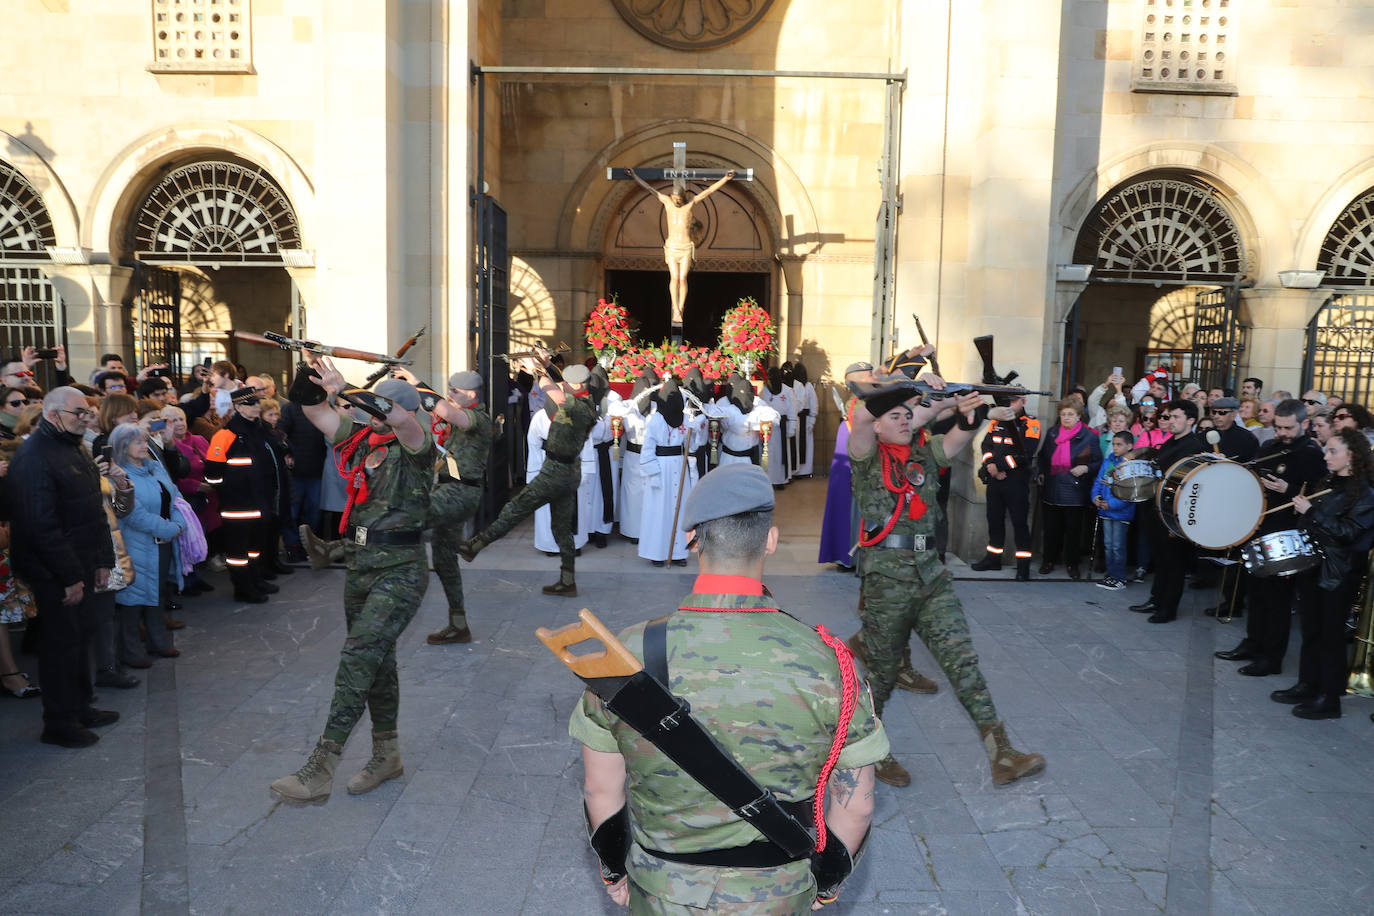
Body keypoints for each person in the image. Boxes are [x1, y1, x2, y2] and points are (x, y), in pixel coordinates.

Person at [569, 462, 886, 912]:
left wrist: (615, 870)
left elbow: (600, 790)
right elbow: (857, 803)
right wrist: (826, 885)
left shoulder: (624, 655)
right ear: (771, 540)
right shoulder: (830, 662)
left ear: (690, 539)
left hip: (663, 891)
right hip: (776, 892)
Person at [848, 376, 1044, 788]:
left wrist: (966, 410)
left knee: (964, 662)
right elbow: (862, 414)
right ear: (881, 424)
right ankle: (871, 754)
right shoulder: (866, 454)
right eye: (895, 416)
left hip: (931, 576)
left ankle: (1002, 754)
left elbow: (959, 438)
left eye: (907, 415)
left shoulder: (924, 452)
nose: (903, 420)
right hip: (887, 579)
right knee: (882, 676)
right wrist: (917, 391)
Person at [269, 362, 433, 803]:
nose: (374, 414)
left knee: (358, 656)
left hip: (400, 568)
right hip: (361, 564)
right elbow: (315, 412)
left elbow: (399, 418)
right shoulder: (361, 439)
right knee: (377, 660)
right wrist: (307, 374)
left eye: (381, 406)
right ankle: (387, 754)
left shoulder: (418, 443)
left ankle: (321, 766)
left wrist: (352, 390)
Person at [7, 388, 120, 748]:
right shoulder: (34, 457)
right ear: (54, 414)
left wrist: (102, 559)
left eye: (88, 413)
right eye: (79, 413)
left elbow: (93, 507)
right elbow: (40, 527)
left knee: (81, 636)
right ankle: (58, 723)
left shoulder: (74, 447)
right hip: (54, 570)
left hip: (82, 561)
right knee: (61, 645)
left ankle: (81, 707)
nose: (86, 419)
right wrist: (69, 577)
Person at [459, 356, 597, 596]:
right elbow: (558, 385)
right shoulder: (582, 400)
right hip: (567, 470)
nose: (562, 383)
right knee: (561, 528)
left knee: (516, 508)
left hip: (556, 471)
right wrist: (544, 366)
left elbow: (557, 394)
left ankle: (475, 545)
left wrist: (536, 373)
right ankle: (567, 581)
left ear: (576, 386)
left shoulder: (579, 405)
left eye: (566, 382)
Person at [1267, 429, 1374, 719]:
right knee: (1311, 630)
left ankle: (1329, 699)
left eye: (1332, 451)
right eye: (1326, 450)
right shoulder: (1328, 482)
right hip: (1313, 566)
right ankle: (1308, 684)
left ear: (1351, 455)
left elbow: (1350, 534)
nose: (1326, 456)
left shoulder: (1365, 492)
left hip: (1338, 574)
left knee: (1331, 637)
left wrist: (1312, 511)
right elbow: (1310, 525)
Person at [1214, 399, 1327, 674]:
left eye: (1288, 428)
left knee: (1278, 600)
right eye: (1278, 427)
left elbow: (1320, 497)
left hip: (1289, 533)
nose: (1282, 433)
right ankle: (1253, 643)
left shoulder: (1311, 453)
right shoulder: (1269, 446)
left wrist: (1289, 489)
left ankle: (1271, 658)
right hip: (1260, 527)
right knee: (1257, 593)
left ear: (1304, 424)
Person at [417, 369, 493, 645]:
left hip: (460, 492)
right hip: (448, 487)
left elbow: (450, 414)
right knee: (443, 559)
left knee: (400, 517)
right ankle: (458, 625)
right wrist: (419, 386)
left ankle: (339, 547)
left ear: (471, 394)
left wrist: (417, 385)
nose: (449, 395)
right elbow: (442, 410)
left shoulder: (478, 418)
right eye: (448, 390)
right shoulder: (462, 411)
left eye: (454, 391)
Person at [629, 167, 736, 340]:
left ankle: (681, 307)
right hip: (671, 247)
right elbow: (649, 189)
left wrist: (725, 179)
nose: (677, 201)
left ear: (683, 197)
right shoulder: (667, 203)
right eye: (675, 198)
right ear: (672, 196)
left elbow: (708, 191)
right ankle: (675, 309)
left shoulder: (690, 204)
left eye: (679, 198)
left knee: (682, 279)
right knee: (673, 278)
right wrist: (634, 176)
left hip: (686, 246)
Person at [109, 423, 184, 665]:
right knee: (132, 600)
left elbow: (176, 497)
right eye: (137, 442)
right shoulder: (119, 475)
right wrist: (170, 528)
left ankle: (158, 643)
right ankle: (130, 652)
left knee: (157, 594)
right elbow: (131, 514)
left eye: (145, 440)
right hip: (135, 545)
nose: (144, 446)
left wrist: (178, 523)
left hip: (162, 542)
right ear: (123, 447)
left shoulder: (155, 468)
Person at [1125, 400, 1205, 623]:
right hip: (1157, 508)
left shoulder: (1193, 446)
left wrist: (1177, 523)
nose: (1171, 421)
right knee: (1160, 559)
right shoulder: (1171, 442)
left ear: (1190, 420)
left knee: (1174, 563)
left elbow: (1192, 486)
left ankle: (1168, 608)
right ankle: (1156, 599)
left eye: (1177, 417)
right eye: (1170, 417)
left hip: (1174, 514)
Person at [204, 389, 279, 603]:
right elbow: (212, 475)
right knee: (238, 553)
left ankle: (255, 580)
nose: (256, 406)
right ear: (238, 407)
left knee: (255, 548)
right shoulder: (224, 435)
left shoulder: (261, 431)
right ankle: (243, 588)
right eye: (250, 403)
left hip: (260, 503)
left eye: (257, 402)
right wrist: (230, 491)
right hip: (236, 507)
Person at [637, 378, 706, 567]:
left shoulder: (684, 419)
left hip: (679, 466)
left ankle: (678, 553)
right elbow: (648, 449)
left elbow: (691, 446)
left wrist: (696, 432)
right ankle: (657, 553)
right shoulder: (655, 419)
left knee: (680, 509)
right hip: (660, 468)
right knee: (660, 510)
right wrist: (653, 474)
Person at [971, 397, 1040, 579]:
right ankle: (993, 559)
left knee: (1019, 523)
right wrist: (990, 465)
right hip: (995, 479)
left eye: (1014, 401)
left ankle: (1023, 567)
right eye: (1007, 401)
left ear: (1023, 401)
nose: (1010, 404)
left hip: (1016, 480)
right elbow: (986, 445)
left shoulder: (1031, 424)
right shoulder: (996, 421)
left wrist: (1000, 467)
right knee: (994, 520)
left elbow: (1026, 453)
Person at [1036, 398, 1102, 579]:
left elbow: (1098, 462)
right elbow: (1043, 457)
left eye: (1070, 414)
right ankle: (1048, 560)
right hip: (1052, 487)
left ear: (1079, 416)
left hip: (1075, 489)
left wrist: (1086, 468)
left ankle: (1072, 564)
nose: (1066, 418)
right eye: (1063, 414)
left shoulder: (1090, 436)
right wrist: (1042, 472)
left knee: (1073, 531)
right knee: (1051, 529)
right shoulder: (1052, 433)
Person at [1091, 430, 1137, 590]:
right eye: (1114, 444)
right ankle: (1111, 575)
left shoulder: (1130, 465)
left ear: (1129, 446)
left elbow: (1129, 491)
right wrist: (1095, 497)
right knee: (1108, 545)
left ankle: (1120, 578)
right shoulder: (1108, 461)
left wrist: (1111, 504)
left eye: (1119, 444)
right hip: (1105, 510)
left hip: (1120, 512)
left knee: (1118, 546)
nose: (1115, 447)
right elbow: (1099, 481)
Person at [791, 360, 818, 476]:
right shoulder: (792, 385)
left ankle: (805, 471)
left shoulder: (808, 386)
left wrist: (812, 420)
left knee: (805, 446)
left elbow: (814, 404)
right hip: (795, 418)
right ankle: (794, 470)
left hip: (805, 419)